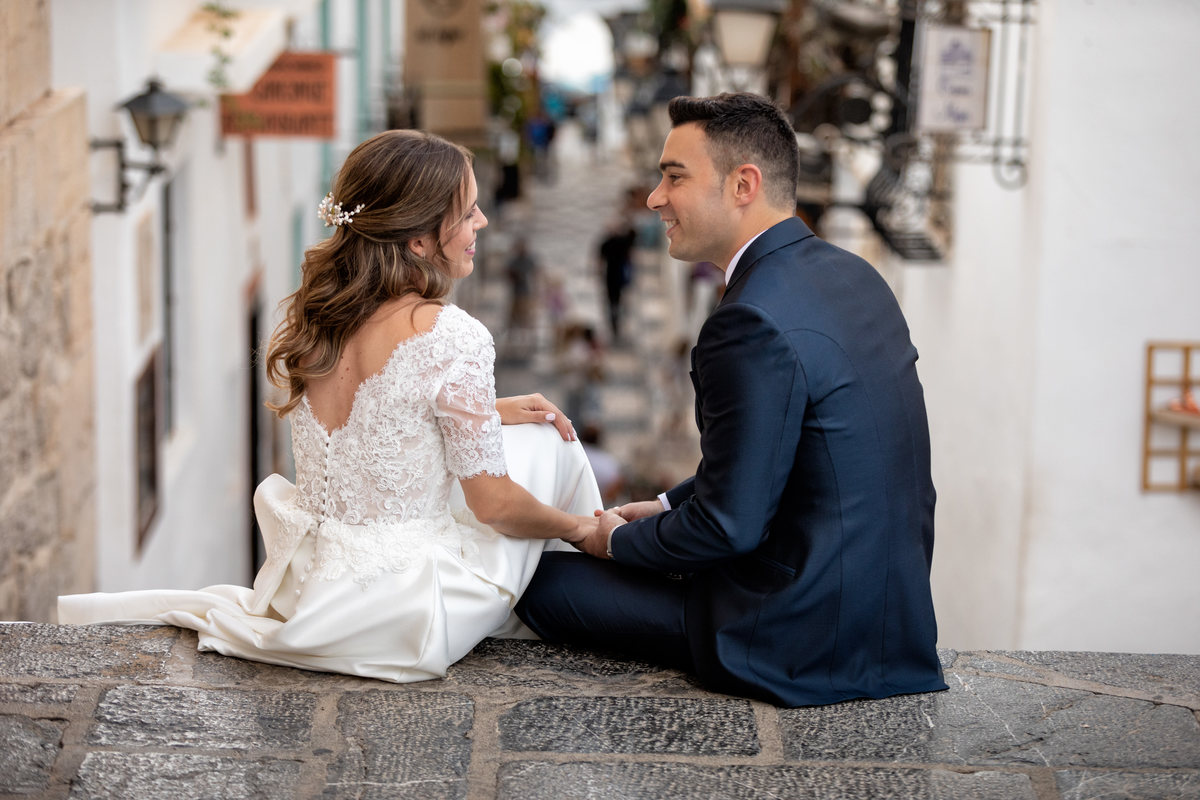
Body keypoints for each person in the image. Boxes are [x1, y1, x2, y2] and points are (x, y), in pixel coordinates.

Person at [59, 130, 602, 683]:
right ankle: (600, 574)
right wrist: (579, 527)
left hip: (312, 583)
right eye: (467, 213)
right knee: (549, 442)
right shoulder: (450, 334)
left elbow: (379, 421)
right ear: (418, 241)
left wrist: (485, 410)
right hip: (409, 603)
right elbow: (494, 506)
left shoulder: (319, 320)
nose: (481, 223)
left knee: (522, 427)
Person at [516, 93, 947, 707]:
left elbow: (728, 526)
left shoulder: (748, 321)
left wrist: (608, 539)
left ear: (744, 184)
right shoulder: (856, 276)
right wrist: (665, 503)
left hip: (792, 636)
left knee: (537, 577)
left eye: (674, 177)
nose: (654, 198)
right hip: (889, 621)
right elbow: (781, 453)